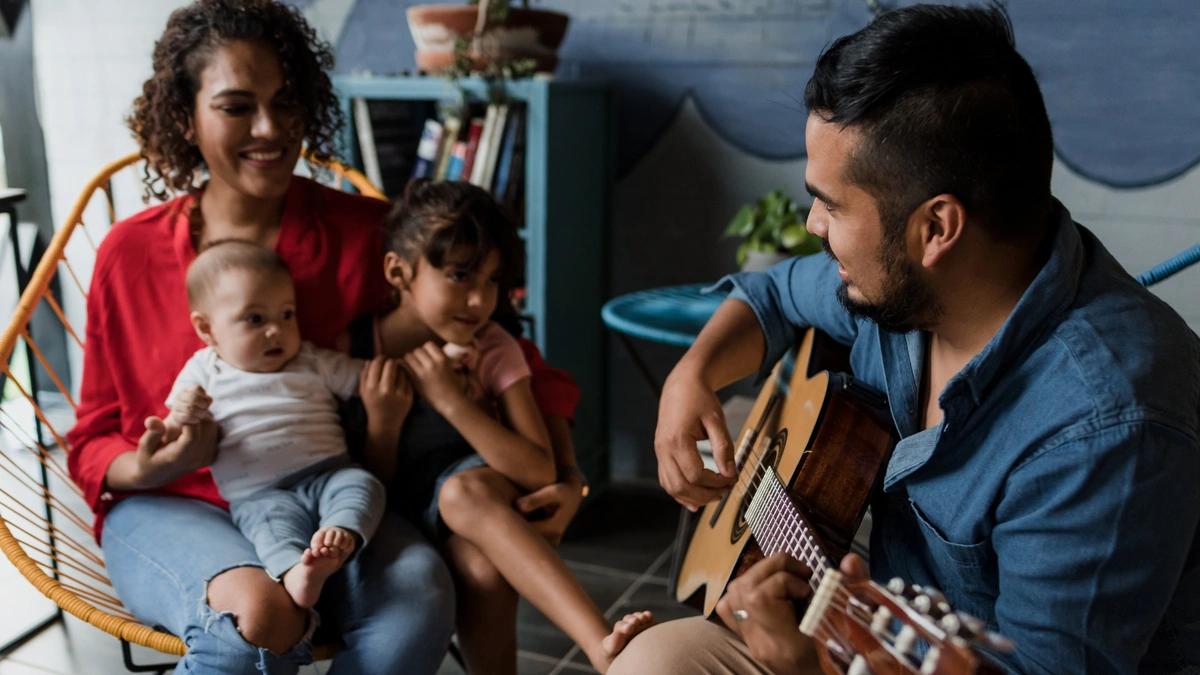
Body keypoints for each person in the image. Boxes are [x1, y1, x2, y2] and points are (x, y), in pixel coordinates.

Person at [613, 4, 1200, 674]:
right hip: (870, 646)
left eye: (831, 204)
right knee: (650, 658)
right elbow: (770, 295)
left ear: (936, 229)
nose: (810, 224)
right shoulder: (896, 288)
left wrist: (806, 666)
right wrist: (692, 374)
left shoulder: (1105, 426)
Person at [66, 2, 456, 672]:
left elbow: (481, 316)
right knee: (254, 623)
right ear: (185, 119)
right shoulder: (129, 253)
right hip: (171, 505)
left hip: (324, 487)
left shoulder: (368, 234)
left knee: (419, 599)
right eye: (237, 106)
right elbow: (94, 432)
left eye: (284, 102)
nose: (271, 128)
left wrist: (557, 464)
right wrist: (151, 464)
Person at [354, 179, 652, 674]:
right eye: (460, 276)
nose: (479, 300)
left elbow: (540, 470)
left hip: (477, 498)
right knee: (480, 566)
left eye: (493, 281)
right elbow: (371, 488)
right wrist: (383, 425)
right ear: (398, 272)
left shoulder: (492, 347)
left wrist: (453, 402)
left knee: (468, 516)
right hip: (397, 517)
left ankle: (600, 643)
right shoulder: (357, 352)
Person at [161, 240, 396, 610]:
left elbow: (371, 379)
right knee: (268, 531)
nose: (277, 331)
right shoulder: (203, 370)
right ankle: (297, 573)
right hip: (258, 494)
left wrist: (418, 368)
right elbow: (174, 424)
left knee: (364, 485)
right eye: (255, 319)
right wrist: (183, 412)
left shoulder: (312, 360)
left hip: (330, 473)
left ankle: (342, 532)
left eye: (287, 315)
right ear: (207, 329)